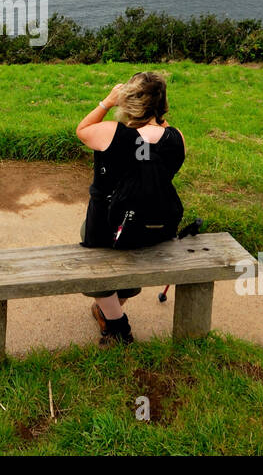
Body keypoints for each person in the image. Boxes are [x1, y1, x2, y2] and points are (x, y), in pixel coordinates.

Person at [75, 71, 186, 345]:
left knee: (91, 253)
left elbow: (81, 130)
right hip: (156, 229)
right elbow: (155, 151)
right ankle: (117, 301)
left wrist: (108, 102)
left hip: (112, 232)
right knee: (125, 248)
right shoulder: (176, 137)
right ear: (162, 105)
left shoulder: (111, 134)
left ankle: (117, 325)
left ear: (129, 102)